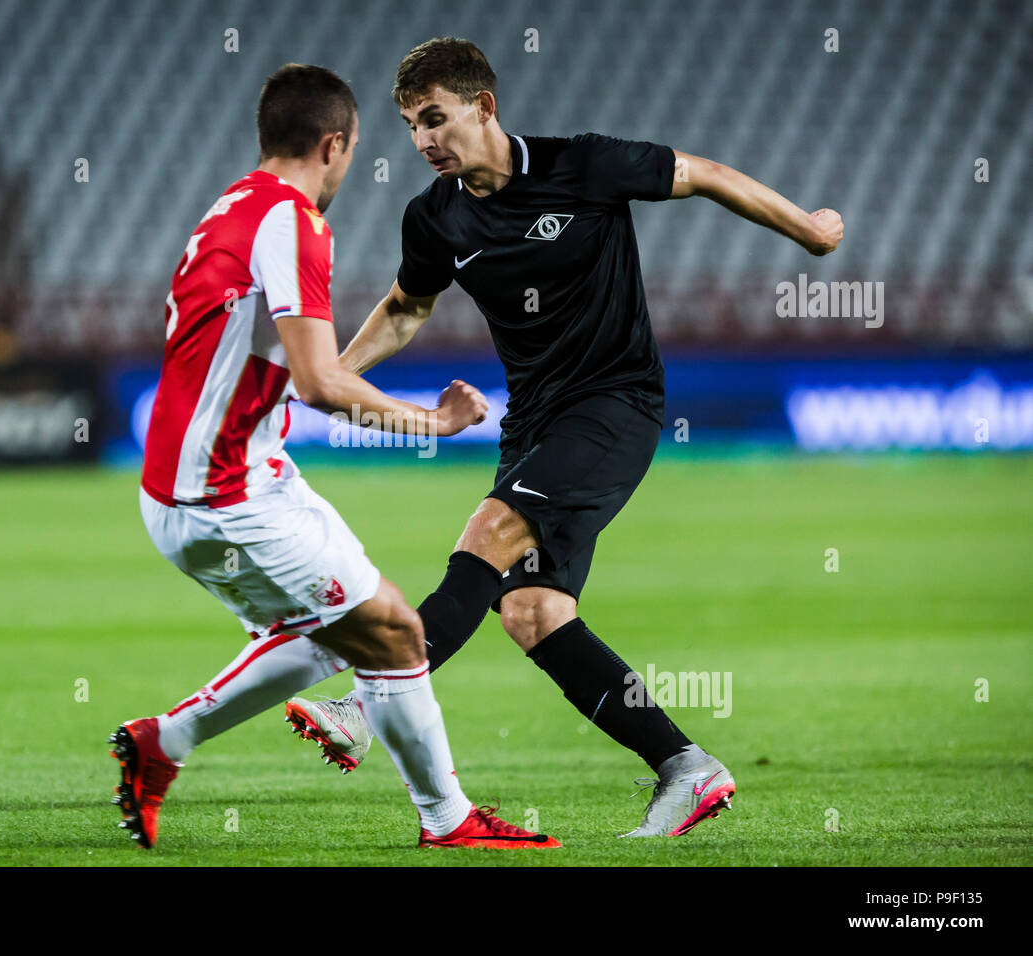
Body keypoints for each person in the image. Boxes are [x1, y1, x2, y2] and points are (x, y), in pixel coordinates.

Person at [285, 37, 843, 837]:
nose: (422, 140)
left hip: (615, 406)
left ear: (483, 106)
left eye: (435, 118)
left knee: (488, 533)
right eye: (410, 125)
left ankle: (366, 704)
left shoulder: (583, 165)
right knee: (534, 611)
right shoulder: (435, 215)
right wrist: (330, 376)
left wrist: (811, 232)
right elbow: (408, 308)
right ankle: (688, 769)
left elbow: (706, 174)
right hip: (536, 424)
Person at [111, 62, 560, 851]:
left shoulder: (230, 207)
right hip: (223, 493)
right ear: (333, 144)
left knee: (338, 631)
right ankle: (449, 821)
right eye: (353, 151)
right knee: (394, 633)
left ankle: (163, 743)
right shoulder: (290, 220)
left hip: (220, 477)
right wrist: (433, 423)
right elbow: (319, 382)